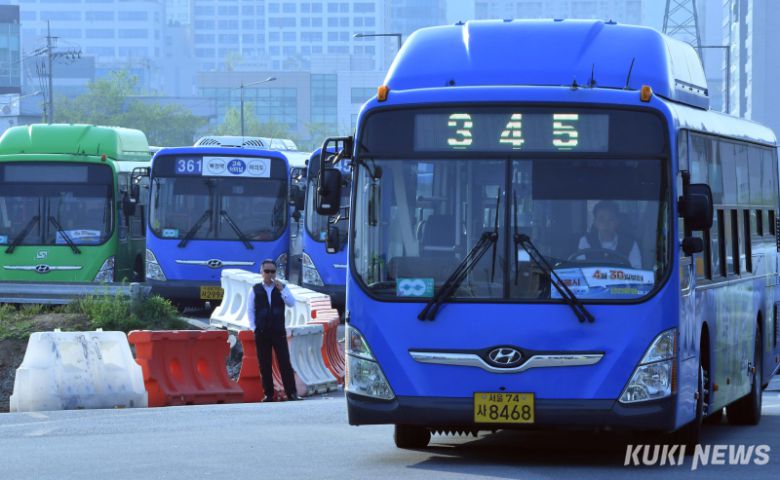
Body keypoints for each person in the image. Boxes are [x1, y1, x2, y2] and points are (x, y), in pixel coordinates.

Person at [248, 259, 302, 402]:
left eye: (272, 271)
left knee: (284, 362)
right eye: (267, 271)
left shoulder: (282, 287)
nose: (270, 274)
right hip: (262, 332)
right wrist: (254, 328)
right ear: (261, 272)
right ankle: (268, 394)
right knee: (264, 364)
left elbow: (291, 303)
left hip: (278, 331)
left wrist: (282, 290)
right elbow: (250, 310)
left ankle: (292, 393)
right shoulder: (255, 289)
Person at [577, 201, 642, 269]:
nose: (606, 224)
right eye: (601, 219)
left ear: (617, 222)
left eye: (611, 219)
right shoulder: (585, 241)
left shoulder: (631, 244)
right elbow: (580, 268)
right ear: (595, 222)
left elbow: (636, 270)